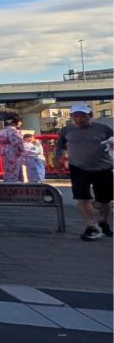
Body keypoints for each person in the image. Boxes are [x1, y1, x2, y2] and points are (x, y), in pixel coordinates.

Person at [53, 103, 114, 241]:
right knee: (82, 198)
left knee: (104, 200)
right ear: (72, 117)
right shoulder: (66, 130)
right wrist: (57, 158)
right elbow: (60, 146)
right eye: (76, 116)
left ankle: (103, 223)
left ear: (90, 115)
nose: (79, 119)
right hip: (78, 167)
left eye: (83, 116)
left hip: (102, 167)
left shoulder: (104, 128)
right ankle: (90, 226)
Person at [0, 115, 26, 182]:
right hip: (12, 151)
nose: (21, 123)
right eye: (20, 121)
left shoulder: (2, 131)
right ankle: (13, 184)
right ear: (16, 122)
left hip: (4, 150)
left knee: (7, 169)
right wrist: (23, 151)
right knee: (14, 169)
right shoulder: (13, 131)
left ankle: (7, 182)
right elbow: (18, 143)